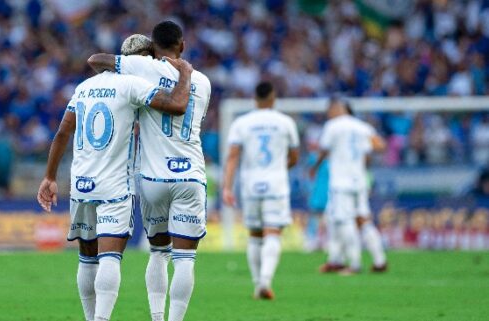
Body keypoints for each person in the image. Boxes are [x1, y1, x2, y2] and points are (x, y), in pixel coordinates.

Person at [37, 51, 194, 321]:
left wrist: (49, 177)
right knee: (109, 257)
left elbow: (63, 132)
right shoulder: (132, 84)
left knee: (87, 259)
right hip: (114, 187)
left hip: (82, 185)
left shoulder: (84, 87)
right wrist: (186, 75)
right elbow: (176, 105)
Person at [87, 21, 211, 321]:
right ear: (182, 45)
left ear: (153, 47)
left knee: (158, 252)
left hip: (153, 178)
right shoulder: (204, 81)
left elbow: (96, 61)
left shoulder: (142, 69)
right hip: (190, 175)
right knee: (185, 259)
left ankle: (156, 316)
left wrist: (135, 61)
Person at [222, 81, 299, 299]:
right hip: (276, 183)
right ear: (273, 98)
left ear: (254, 99)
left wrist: (228, 187)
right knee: (273, 232)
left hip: (250, 184)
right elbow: (294, 157)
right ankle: (266, 281)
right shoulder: (286, 122)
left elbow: (233, 157)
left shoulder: (242, 123)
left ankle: (257, 284)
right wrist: (280, 169)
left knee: (255, 235)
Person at [310, 99, 387, 275]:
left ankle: (354, 264)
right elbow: (379, 146)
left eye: (330, 109)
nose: (328, 113)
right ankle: (378, 260)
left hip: (340, 182)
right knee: (360, 219)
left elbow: (323, 149)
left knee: (343, 220)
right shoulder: (362, 127)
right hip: (359, 180)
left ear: (338, 109)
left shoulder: (333, 126)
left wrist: (315, 167)